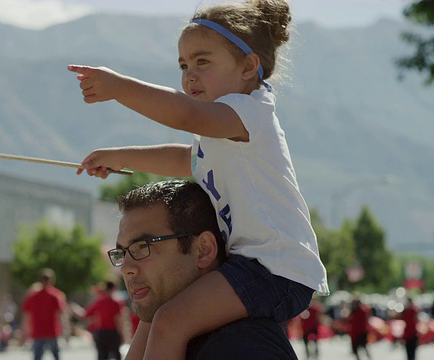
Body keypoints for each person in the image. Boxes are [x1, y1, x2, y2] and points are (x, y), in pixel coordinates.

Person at [68, 1, 329, 358]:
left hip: (277, 268)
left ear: (249, 66)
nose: (189, 75)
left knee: (171, 322)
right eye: (183, 65)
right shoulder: (220, 133)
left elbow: (184, 113)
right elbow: (185, 159)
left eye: (202, 62)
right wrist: (118, 157)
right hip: (247, 263)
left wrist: (119, 87)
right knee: (154, 316)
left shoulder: (251, 113)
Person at [111, 180, 297, 359]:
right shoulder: (162, 338)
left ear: (203, 250)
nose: (126, 268)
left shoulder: (235, 346)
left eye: (143, 246)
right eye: (122, 253)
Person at [20, 268, 68, 360]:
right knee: (56, 356)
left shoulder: (33, 296)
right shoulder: (55, 295)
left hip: (37, 331)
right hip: (52, 331)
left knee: (37, 357)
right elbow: (61, 314)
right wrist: (65, 330)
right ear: (52, 280)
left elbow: (26, 315)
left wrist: (25, 331)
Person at [83, 280, 125, 360]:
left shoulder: (98, 301)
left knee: (102, 355)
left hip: (101, 332)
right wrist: (122, 334)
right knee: (116, 354)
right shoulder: (116, 302)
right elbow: (118, 320)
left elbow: (87, 314)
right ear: (113, 288)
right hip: (113, 332)